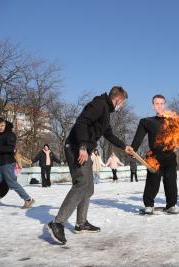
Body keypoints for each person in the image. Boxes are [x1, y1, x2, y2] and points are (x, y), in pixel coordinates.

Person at [46, 86, 133, 245]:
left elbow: (108, 134)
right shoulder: (99, 104)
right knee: (81, 184)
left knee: (89, 188)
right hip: (75, 148)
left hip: (83, 148)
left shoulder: (105, 111)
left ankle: (81, 223)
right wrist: (83, 147)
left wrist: (123, 146)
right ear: (118, 99)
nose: (122, 107)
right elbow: (81, 122)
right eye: (122, 103)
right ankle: (57, 223)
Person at [130, 94, 179, 215]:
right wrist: (133, 150)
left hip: (170, 155)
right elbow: (138, 137)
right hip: (154, 156)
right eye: (156, 103)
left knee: (171, 181)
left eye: (161, 103)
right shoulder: (147, 121)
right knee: (152, 181)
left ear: (165, 104)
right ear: (153, 105)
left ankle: (171, 205)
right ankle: (149, 205)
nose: (159, 106)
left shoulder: (173, 120)